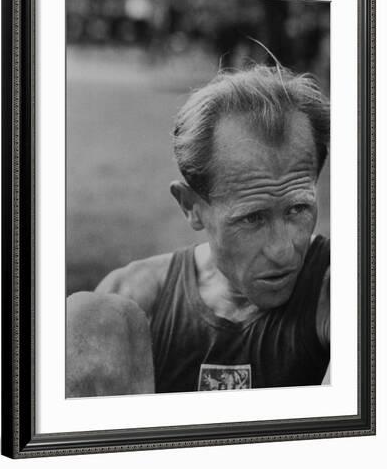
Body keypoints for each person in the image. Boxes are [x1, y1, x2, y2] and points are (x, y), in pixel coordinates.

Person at [67, 64, 330, 397]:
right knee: (90, 316)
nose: (282, 250)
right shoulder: (134, 299)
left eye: (298, 209)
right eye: (252, 218)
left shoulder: (337, 290)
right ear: (191, 205)